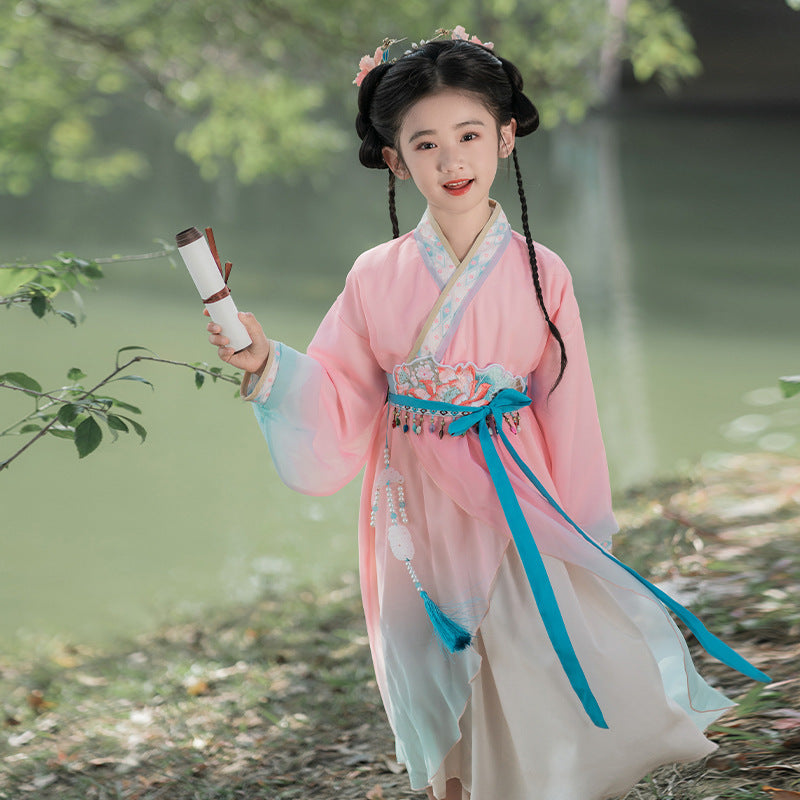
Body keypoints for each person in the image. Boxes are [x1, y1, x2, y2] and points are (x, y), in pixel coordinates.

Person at [206, 28, 768, 800]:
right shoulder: (375, 275)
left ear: (505, 136)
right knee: (429, 658)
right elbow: (340, 388)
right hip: (412, 498)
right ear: (396, 159)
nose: (452, 160)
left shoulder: (544, 272)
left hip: (515, 490)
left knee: (525, 654)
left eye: (469, 135)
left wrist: (580, 530)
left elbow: (568, 407)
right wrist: (270, 365)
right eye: (426, 144)